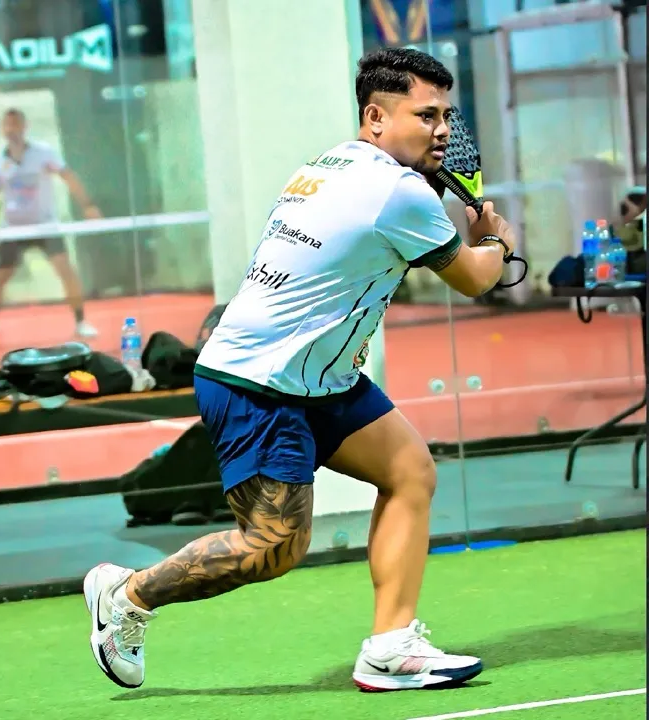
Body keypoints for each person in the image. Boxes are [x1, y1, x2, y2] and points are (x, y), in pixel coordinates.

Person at [83, 48, 516, 692]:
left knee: (409, 472)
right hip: (260, 383)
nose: (443, 130)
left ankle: (391, 647)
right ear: (376, 117)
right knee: (272, 547)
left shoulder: (331, 162)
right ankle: (126, 594)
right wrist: (496, 237)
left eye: (446, 116)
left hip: (317, 377)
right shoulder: (397, 192)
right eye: (426, 115)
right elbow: (478, 279)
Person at [0, 108, 100, 344]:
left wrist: (88, 205)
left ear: (24, 127)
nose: (12, 129)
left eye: (16, 124)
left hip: (45, 225)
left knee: (65, 270)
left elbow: (68, 176)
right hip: (13, 228)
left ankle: (81, 322)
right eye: (7, 125)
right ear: (3, 129)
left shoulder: (43, 153)